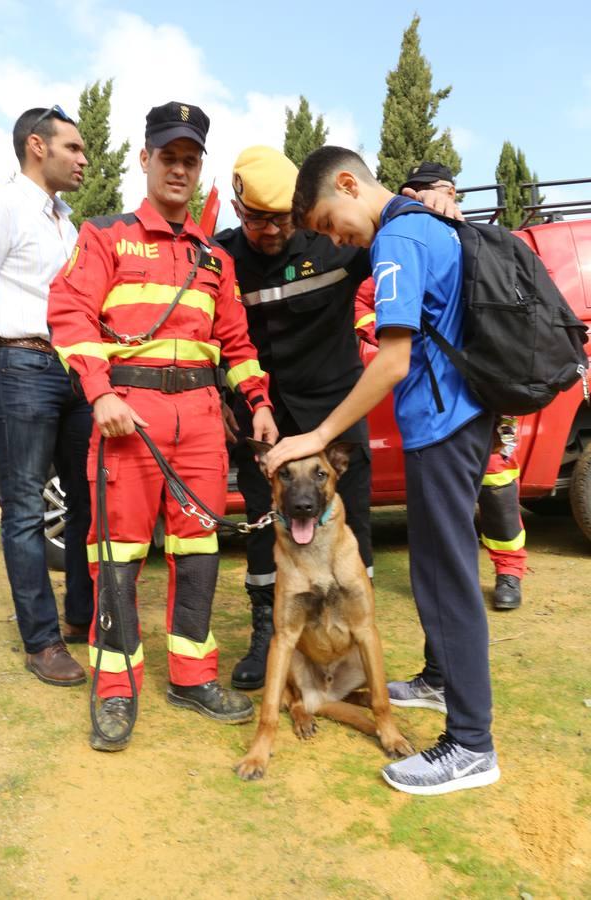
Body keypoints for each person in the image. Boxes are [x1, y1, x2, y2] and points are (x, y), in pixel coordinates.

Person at [266, 146, 501, 796]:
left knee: (445, 577)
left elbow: (393, 360)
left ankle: (471, 745)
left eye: (330, 222)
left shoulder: (399, 236)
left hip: (443, 422)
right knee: (436, 565)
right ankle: (436, 680)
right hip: (461, 417)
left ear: (349, 184)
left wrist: (316, 433)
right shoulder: (428, 223)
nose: (337, 240)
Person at [48, 102, 277, 751]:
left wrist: (257, 402)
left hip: (203, 422)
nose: (178, 168)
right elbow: (69, 315)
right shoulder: (105, 236)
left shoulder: (215, 259)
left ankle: (191, 674)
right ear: (145, 159)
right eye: (168, 156)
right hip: (129, 418)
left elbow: (236, 342)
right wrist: (98, 394)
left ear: (198, 167)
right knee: (117, 558)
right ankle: (116, 688)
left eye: (190, 159)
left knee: (199, 553)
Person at [215, 146, 374, 692]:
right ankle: (268, 630)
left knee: (352, 529)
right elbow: (208, 332)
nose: (268, 229)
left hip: (334, 414)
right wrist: (219, 396)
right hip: (261, 421)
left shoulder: (334, 242)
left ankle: (357, 636)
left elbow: (392, 241)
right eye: (256, 217)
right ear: (238, 208)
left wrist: (430, 205)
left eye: (279, 217)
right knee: (264, 528)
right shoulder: (219, 256)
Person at [0, 105, 93, 687]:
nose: (83, 158)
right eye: (73, 148)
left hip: (75, 370)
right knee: (26, 508)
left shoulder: (68, 222)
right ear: (37, 146)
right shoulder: (3, 205)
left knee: (84, 500)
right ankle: (42, 640)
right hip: (19, 361)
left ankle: (82, 617)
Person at [397, 162, 526, 611]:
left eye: (454, 190)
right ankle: (458, 591)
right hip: (442, 401)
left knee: (499, 481)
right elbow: (370, 309)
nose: (451, 198)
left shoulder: (474, 242)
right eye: (441, 190)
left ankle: (509, 572)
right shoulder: (405, 246)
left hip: (487, 385)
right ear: (414, 195)